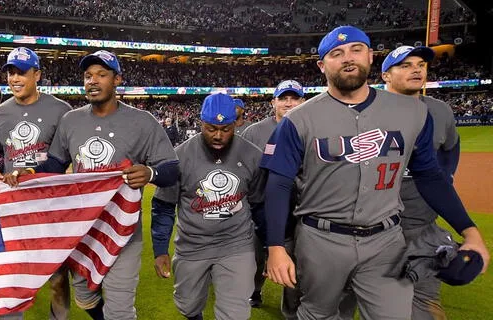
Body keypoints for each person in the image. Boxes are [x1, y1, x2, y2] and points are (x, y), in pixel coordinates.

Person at [261, 25, 489, 320]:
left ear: (370, 56)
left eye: (356, 49)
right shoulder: (297, 120)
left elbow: (431, 176)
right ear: (322, 65)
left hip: (387, 241)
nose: (348, 58)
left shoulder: (413, 112)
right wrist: (276, 247)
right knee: (318, 313)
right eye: (336, 53)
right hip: (321, 239)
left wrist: (469, 231)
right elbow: (277, 186)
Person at [3, 50, 180, 320]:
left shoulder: (143, 122)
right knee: (85, 300)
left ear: (117, 79)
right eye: (88, 76)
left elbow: (171, 169)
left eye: (101, 75)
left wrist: (151, 173)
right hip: (83, 230)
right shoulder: (71, 120)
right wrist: (27, 172)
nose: (93, 81)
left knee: (119, 310)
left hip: (122, 232)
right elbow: (54, 165)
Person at [150, 93, 265, 320]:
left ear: (235, 123)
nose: (219, 136)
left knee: (235, 314)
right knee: (188, 305)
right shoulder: (179, 156)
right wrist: (160, 249)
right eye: (212, 128)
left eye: (226, 129)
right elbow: (163, 205)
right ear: (200, 122)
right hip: (192, 245)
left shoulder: (252, 155)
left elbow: (260, 206)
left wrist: (272, 246)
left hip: (236, 244)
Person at [0, 47, 73, 320]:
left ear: (38, 75)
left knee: (57, 280)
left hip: (52, 208)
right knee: (11, 279)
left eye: (21, 72)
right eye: (10, 72)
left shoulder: (62, 110)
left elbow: (67, 159)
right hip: (14, 208)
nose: (14, 78)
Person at [381, 45, 468, 319]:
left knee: (424, 306)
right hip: (372, 225)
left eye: (420, 64)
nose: (416, 69)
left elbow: (451, 147)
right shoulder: (366, 110)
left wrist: (446, 176)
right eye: (405, 65)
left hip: (421, 226)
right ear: (385, 76)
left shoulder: (440, 111)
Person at [240, 80, 305, 312]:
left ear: (303, 101)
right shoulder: (254, 131)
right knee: (256, 260)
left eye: (294, 98)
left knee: (295, 263)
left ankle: (291, 309)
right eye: (284, 98)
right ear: (273, 102)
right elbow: (241, 169)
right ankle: (255, 291)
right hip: (259, 209)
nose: (289, 103)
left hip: (298, 210)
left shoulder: (310, 128)